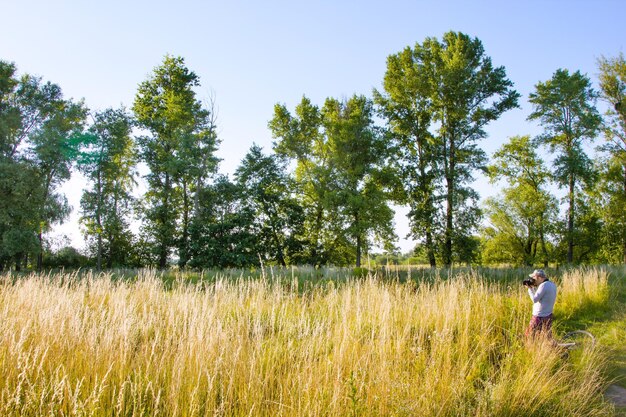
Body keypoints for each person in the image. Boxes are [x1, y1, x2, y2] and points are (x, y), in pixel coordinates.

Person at [524, 269, 557, 338]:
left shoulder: (543, 285)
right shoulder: (552, 284)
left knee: (529, 335)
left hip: (539, 316)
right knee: (546, 336)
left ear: (539, 277)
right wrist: (533, 288)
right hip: (548, 315)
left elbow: (534, 299)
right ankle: (553, 347)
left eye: (534, 278)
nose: (533, 280)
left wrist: (530, 289)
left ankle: (530, 347)